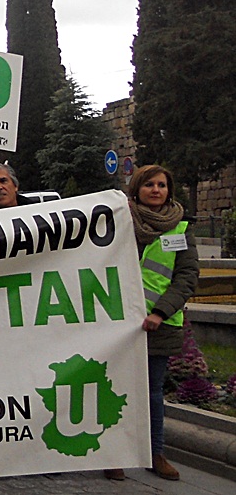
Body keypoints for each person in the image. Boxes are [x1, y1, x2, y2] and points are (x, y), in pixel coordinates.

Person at [103, 165, 199, 482]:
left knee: (152, 394)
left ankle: (154, 453)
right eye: (149, 185)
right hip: (117, 324)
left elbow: (186, 277)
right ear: (137, 189)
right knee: (114, 389)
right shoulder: (119, 221)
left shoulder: (180, 229)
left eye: (162, 185)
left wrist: (160, 312)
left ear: (169, 190)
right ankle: (114, 455)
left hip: (158, 324)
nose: (156, 190)